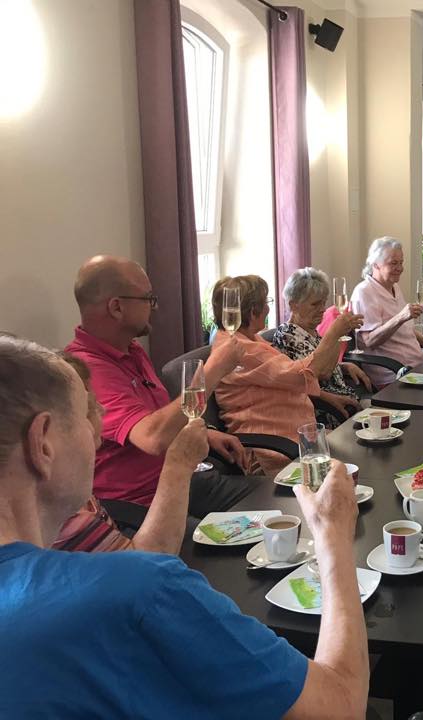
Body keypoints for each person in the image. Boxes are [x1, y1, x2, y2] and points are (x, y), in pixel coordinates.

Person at [0, 336, 369, 718]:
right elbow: (342, 707)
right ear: (43, 443)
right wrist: (332, 534)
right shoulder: (145, 589)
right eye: (85, 413)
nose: (99, 428)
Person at [64, 255, 249, 514]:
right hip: (146, 506)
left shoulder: (132, 350)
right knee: (259, 528)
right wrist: (214, 369)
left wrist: (206, 433)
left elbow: (154, 418)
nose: (155, 307)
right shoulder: (88, 370)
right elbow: (153, 438)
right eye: (148, 298)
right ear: (116, 307)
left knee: (278, 499)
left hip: (182, 482)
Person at [211, 275, 363, 477]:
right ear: (252, 310)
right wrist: (333, 333)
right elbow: (301, 375)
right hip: (277, 450)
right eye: (265, 303)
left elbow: (287, 375)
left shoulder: (249, 339)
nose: (268, 309)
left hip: (299, 437)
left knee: (364, 450)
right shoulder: (238, 349)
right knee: (361, 460)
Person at [53, 354, 206, 553]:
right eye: (89, 405)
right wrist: (180, 463)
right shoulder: (64, 510)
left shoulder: (73, 486)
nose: (102, 409)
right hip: (139, 513)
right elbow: (146, 563)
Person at [272, 267, 373, 427]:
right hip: (326, 413)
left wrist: (343, 366)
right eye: (315, 304)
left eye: (323, 303)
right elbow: (320, 374)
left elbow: (325, 363)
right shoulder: (288, 335)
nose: (322, 309)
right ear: (293, 305)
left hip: (347, 402)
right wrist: (335, 333)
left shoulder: (311, 332)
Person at [350, 237, 423, 387]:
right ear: (375, 264)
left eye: (401, 262)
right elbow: (369, 341)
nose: (400, 268)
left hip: (417, 366)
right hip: (394, 374)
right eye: (393, 263)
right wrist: (401, 317)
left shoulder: (394, 287)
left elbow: (402, 329)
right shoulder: (364, 292)